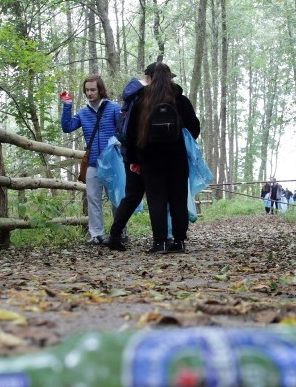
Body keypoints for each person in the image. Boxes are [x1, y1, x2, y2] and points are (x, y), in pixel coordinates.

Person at [123, 62, 200, 254]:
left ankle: (160, 242)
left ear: (149, 78)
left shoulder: (141, 101)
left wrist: (134, 160)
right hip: (177, 158)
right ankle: (179, 242)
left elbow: (131, 134)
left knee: (156, 200)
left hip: (150, 159)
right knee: (178, 199)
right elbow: (195, 129)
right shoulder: (181, 101)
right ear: (169, 78)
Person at [61, 75, 120, 245]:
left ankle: (119, 232)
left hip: (112, 163)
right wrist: (67, 105)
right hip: (93, 162)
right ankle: (96, 235)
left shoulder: (114, 109)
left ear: (100, 89)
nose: (89, 93)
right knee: (93, 199)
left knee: (116, 199)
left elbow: (123, 131)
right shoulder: (83, 112)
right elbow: (67, 127)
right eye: (87, 90)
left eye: (93, 89)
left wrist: (116, 144)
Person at [107, 63, 159, 251]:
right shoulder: (145, 95)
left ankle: (114, 234)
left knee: (132, 196)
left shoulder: (133, 94)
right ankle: (160, 239)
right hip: (142, 154)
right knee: (153, 195)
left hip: (131, 153)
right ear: (151, 77)